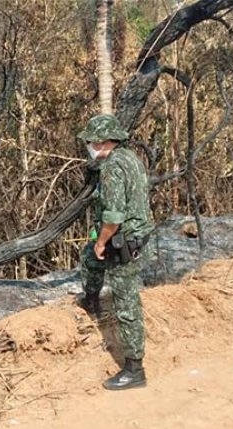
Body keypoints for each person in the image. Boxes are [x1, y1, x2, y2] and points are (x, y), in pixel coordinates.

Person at [76, 114, 155, 391]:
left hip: (124, 240)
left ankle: (134, 369)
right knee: (89, 259)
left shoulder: (111, 168)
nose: (88, 146)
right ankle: (91, 300)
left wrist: (101, 242)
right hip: (137, 234)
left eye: (90, 142)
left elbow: (113, 216)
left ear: (102, 141)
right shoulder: (130, 158)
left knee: (126, 303)